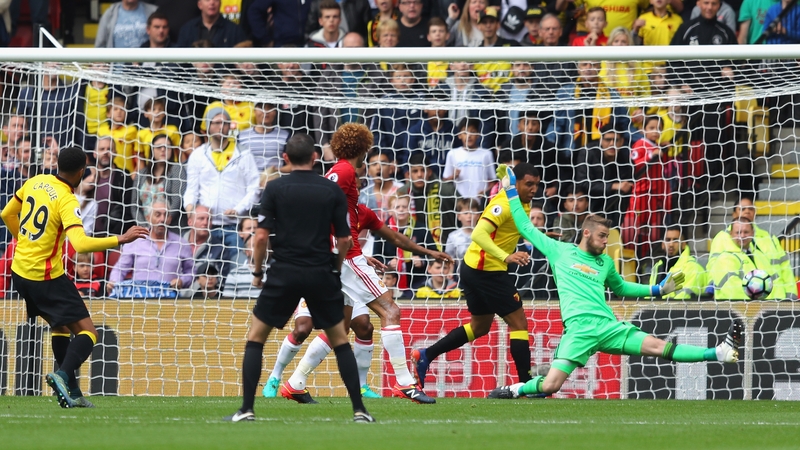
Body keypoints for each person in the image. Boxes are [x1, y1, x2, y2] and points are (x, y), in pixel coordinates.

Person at [487, 164, 742, 399]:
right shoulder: (560, 251)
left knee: (657, 345)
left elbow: (621, 288)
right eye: (601, 236)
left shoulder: (605, 262)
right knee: (550, 386)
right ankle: (515, 388)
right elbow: (526, 228)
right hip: (579, 329)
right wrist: (510, 192)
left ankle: (718, 352)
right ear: (586, 233)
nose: (605, 241)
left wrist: (658, 289)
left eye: (607, 236)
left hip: (608, 326)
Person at [224, 134, 374, 423]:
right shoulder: (330, 190)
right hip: (320, 271)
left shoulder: (275, 187)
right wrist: (334, 268)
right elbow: (344, 239)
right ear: (316, 158)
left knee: (256, 338)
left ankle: (246, 409)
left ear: (285, 159)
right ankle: (359, 410)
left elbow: (261, 237)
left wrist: (257, 274)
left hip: (284, 272)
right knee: (341, 340)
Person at [292, 123, 435, 404]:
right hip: (347, 255)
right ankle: (405, 383)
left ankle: (296, 382)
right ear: (363, 148)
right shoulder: (343, 170)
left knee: (340, 325)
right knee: (390, 311)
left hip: (342, 255)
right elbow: (321, 196)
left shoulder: (347, 179)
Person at [0, 146, 149, 408]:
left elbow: (6, 213)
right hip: (44, 275)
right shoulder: (67, 199)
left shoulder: (36, 180)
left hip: (20, 271)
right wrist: (120, 239)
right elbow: (79, 244)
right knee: (89, 333)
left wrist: (23, 239)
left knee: (59, 326)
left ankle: (73, 392)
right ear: (81, 172)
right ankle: (62, 375)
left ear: (58, 164)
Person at [264, 202, 451, 400]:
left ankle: (352, 385)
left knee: (360, 326)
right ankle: (275, 376)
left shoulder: (361, 212)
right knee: (303, 327)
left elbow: (387, 237)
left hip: (347, 272)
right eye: (354, 178)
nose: (358, 183)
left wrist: (362, 256)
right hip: (318, 271)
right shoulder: (321, 208)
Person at [411, 163, 542, 391]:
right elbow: (479, 233)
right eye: (529, 184)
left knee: (480, 326)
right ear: (518, 183)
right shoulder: (503, 205)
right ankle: (526, 385)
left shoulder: (519, 201)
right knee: (519, 323)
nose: (533, 189)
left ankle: (426, 354)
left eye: (536, 185)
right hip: (486, 271)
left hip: (476, 270)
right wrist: (507, 256)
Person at [183, 107, 260, 276]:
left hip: (233, 226)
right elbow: (191, 188)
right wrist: (190, 209)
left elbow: (254, 188)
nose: (221, 126)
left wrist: (239, 209)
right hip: (206, 228)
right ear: (208, 126)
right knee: (203, 273)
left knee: (237, 269)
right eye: (216, 122)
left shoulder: (244, 153)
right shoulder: (198, 155)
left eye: (225, 123)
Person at [709, 199, 798, 300]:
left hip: (778, 299)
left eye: (750, 208)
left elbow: (785, 268)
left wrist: (791, 297)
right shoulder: (722, 237)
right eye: (742, 209)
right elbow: (714, 267)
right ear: (734, 214)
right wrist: (712, 289)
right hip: (746, 302)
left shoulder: (769, 237)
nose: (747, 211)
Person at [107, 197, 194, 297]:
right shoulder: (135, 241)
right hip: (139, 301)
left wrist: (182, 281)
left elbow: (191, 271)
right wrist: (114, 282)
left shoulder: (182, 243)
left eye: (165, 215)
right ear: (148, 218)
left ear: (170, 219)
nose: (162, 219)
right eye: (158, 215)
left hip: (169, 302)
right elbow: (120, 269)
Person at [442, 118, 496, 201]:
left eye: (473, 132)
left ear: (478, 134)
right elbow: (444, 181)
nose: (469, 135)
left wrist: (485, 193)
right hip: (459, 203)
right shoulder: (452, 154)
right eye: (465, 132)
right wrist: (453, 176)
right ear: (459, 135)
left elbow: (493, 182)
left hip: (480, 202)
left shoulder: (486, 154)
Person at [650, 225, 708, 299]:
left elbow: (684, 301)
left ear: (683, 244)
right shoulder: (657, 267)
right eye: (668, 240)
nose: (671, 244)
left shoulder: (693, 268)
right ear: (662, 245)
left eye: (675, 240)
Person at [177, 0, 246, 47]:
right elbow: (179, 61)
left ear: (220, 4)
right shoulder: (187, 29)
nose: (212, 3)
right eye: (207, 0)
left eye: (216, 0)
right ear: (200, 5)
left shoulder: (234, 30)